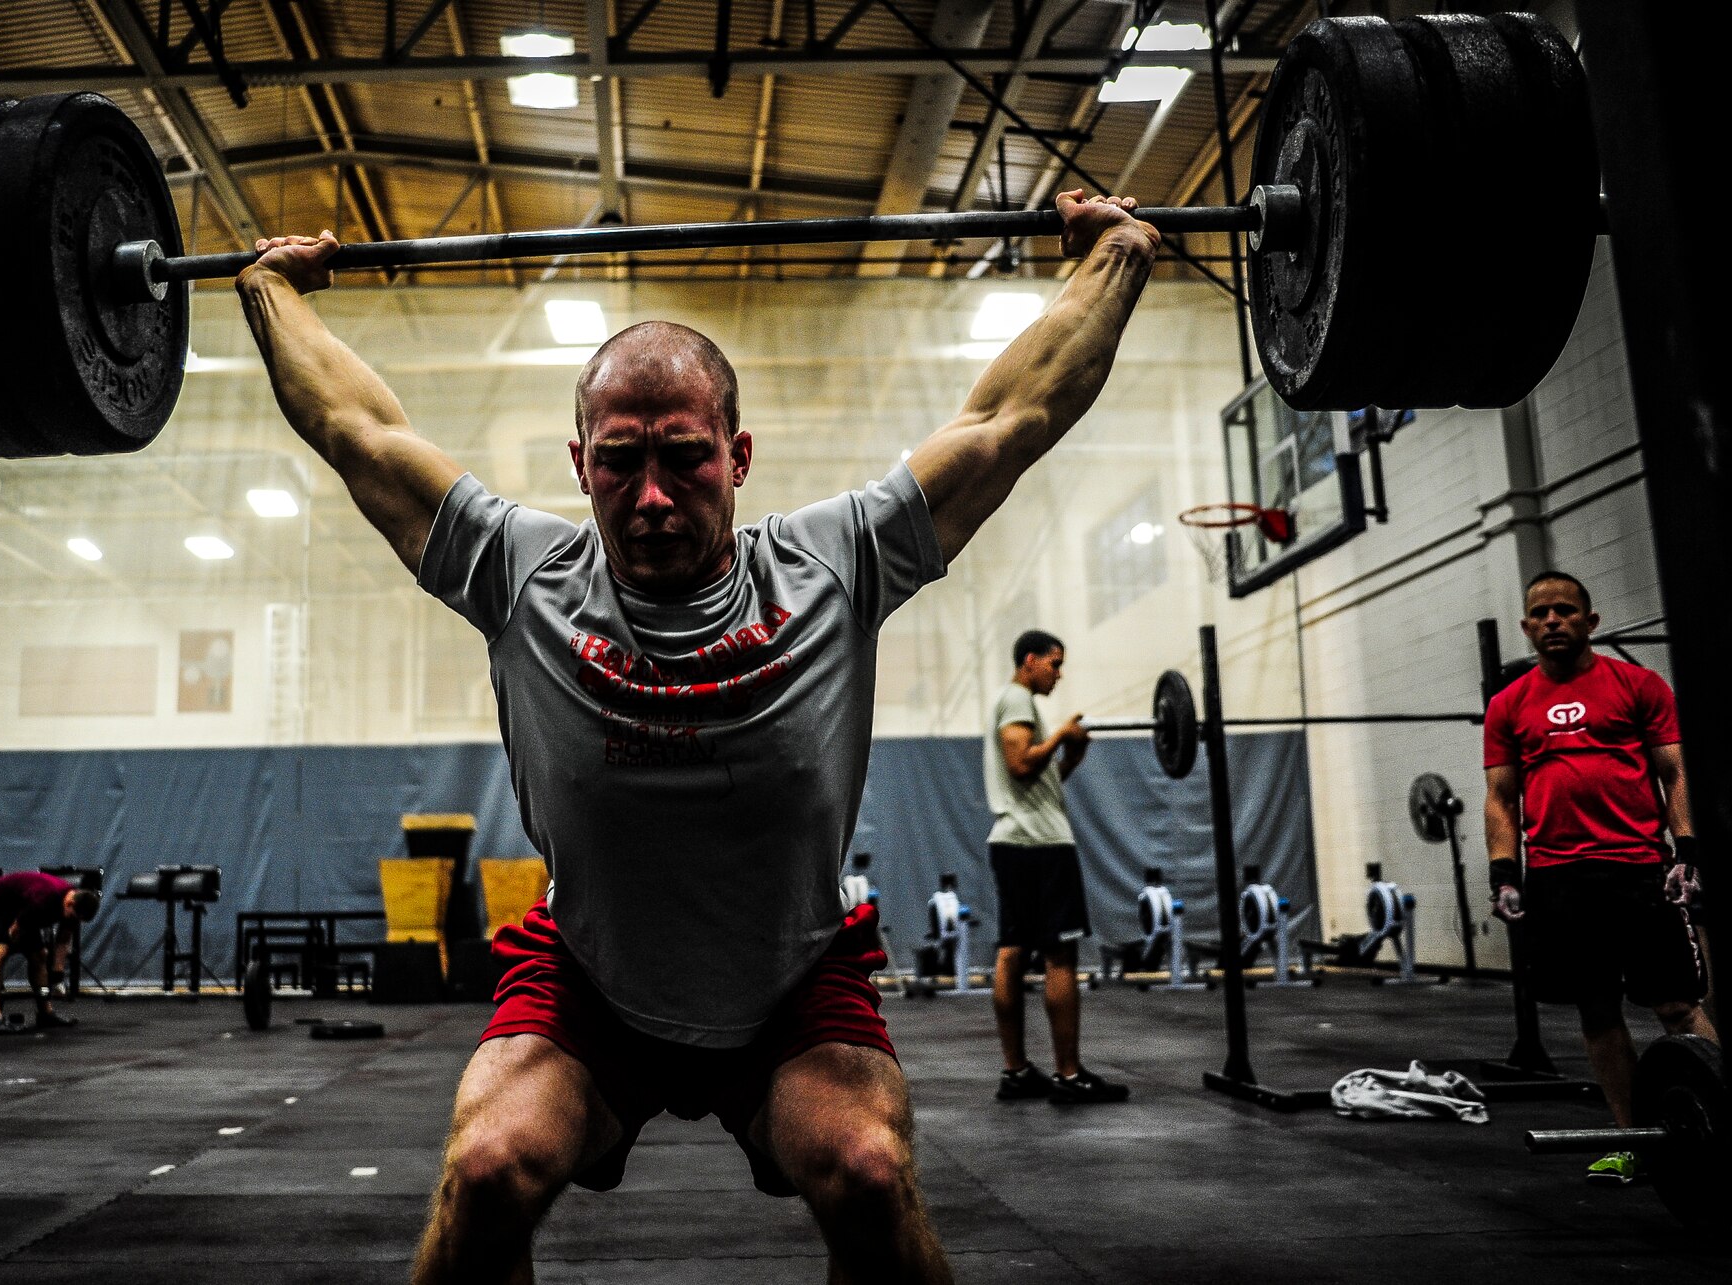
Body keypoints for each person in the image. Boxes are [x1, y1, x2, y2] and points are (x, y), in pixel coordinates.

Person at [235, 188, 1160, 1284]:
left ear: (739, 453)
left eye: (684, 456)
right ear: (579, 464)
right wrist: (266, 290)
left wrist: (1116, 257)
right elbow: (360, 431)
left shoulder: (837, 562)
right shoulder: (521, 571)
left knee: (867, 1171)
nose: (652, 495)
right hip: (591, 978)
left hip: (789, 979)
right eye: (619, 461)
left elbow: (1010, 418)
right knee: (484, 1171)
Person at [1484, 569, 1717, 1186]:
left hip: (1639, 868)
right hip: (1559, 879)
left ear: (1591, 622)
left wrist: (1686, 849)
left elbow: (1676, 772)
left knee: (1678, 1005)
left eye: (1565, 610)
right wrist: (1504, 873)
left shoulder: (1638, 684)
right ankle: (1631, 1141)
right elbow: (1501, 797)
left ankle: (1726, 1123)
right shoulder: (1508, 705)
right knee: (1596, 1011)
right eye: (1541, 612)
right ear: (1527, 627)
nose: (1553, 620)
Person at [984, 630, 1124, 1106]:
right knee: (1059, 955)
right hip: (1040, 845)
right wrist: (1062, 733)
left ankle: (1018, 1072)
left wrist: (1071, 758)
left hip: (1016, 838)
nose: (1059, 673)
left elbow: (1036, 784)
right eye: (1054, 663)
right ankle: (1068, 1075)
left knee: (1013, 949)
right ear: (1030, 661)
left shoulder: (1012, 702)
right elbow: (1022, 764)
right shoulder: (1019, 700)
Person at [0, 870, 99, 1033]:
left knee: (40, 956)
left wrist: (57, 975)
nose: (74, 920)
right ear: (69, 904)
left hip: (22, 908)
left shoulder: (73, 910)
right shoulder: (44, 898)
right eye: (74, 916)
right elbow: (15, 931)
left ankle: (45, 1014)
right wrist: (10, 946)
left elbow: (63, 939)